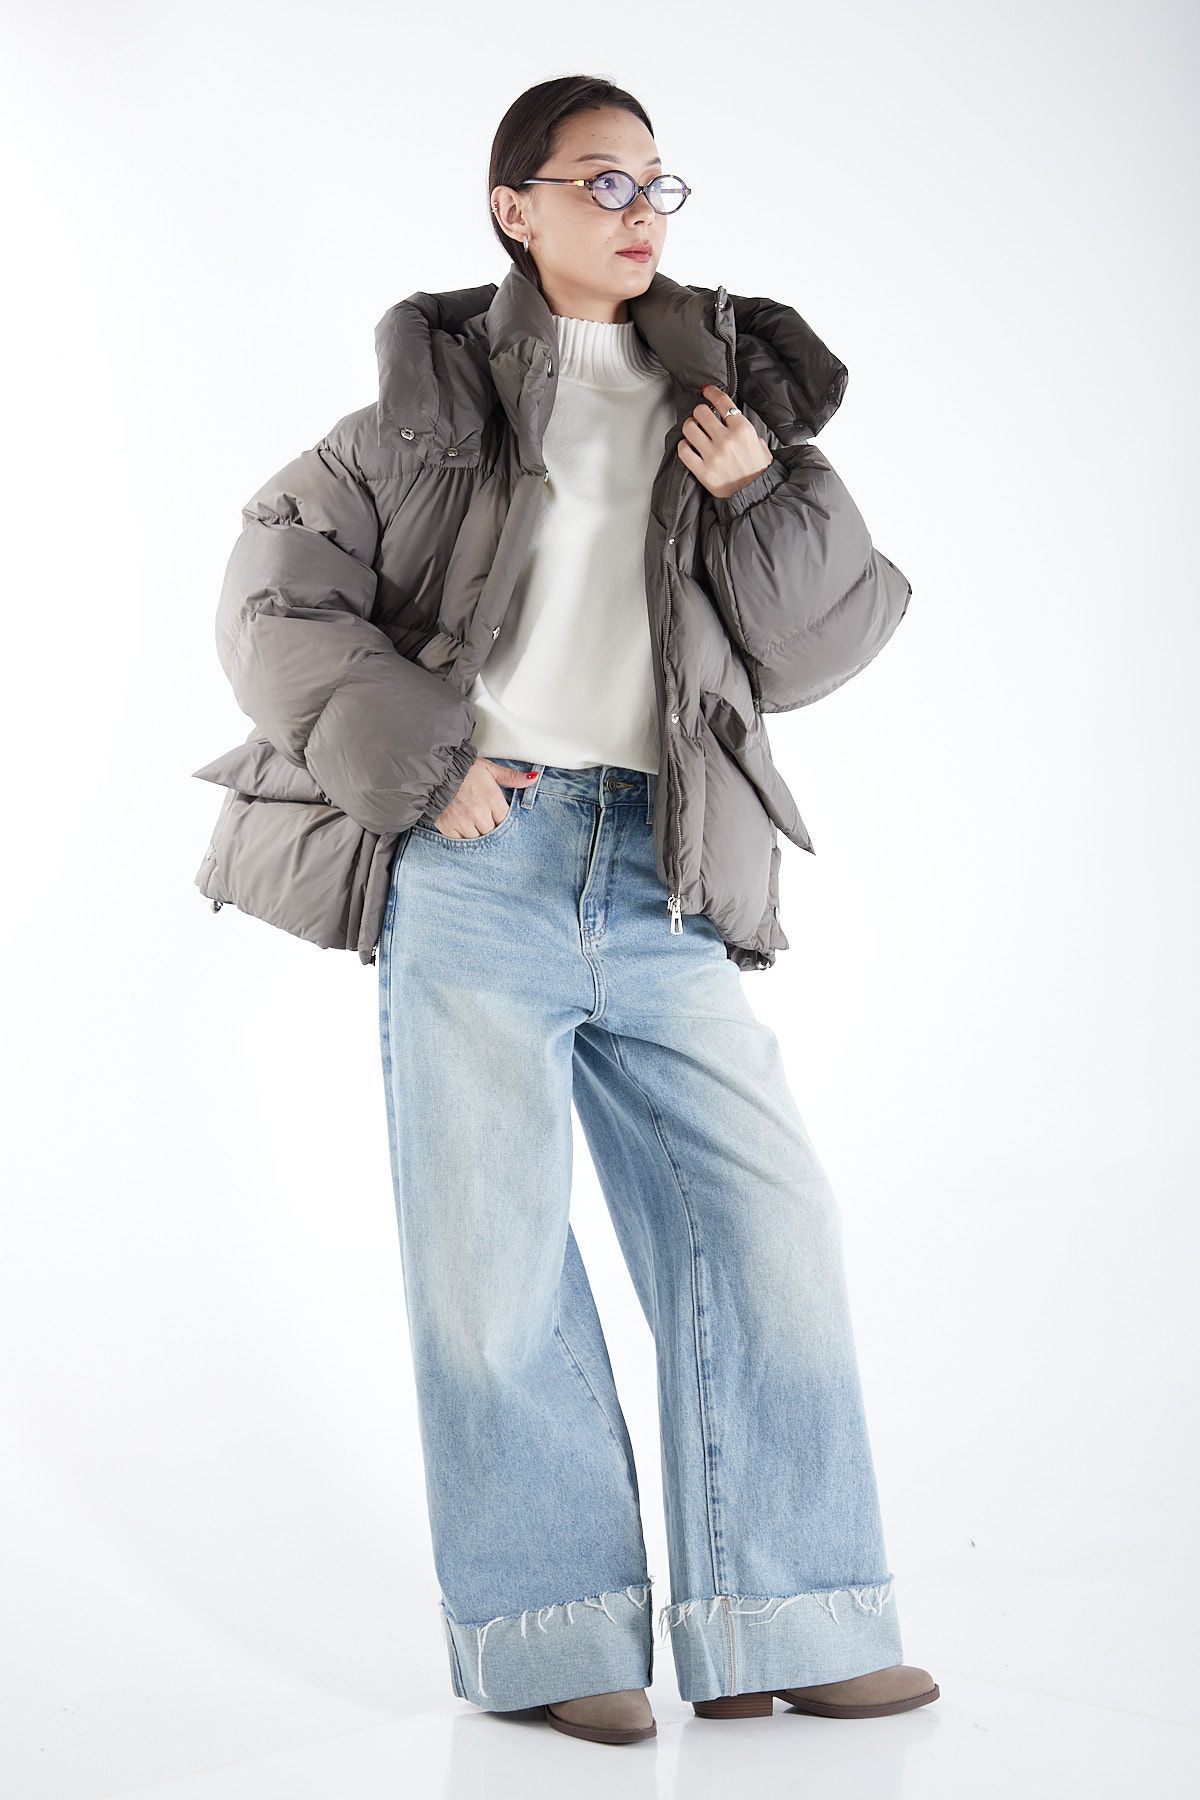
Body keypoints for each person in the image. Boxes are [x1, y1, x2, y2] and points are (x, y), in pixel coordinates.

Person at [194, 73, 938, 1747]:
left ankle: (791, 1616)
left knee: (766, 1229)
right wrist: (428, 763)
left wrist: (761, 491)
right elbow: (269, 595)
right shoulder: (418, 417)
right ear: (512, 208)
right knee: (494, 1267)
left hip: (666, 867)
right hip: (481, 864)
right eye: (602, 181)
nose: (639, 211)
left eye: (658, 184)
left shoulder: (729, 410)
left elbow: (817, 648)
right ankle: (552, 1638)